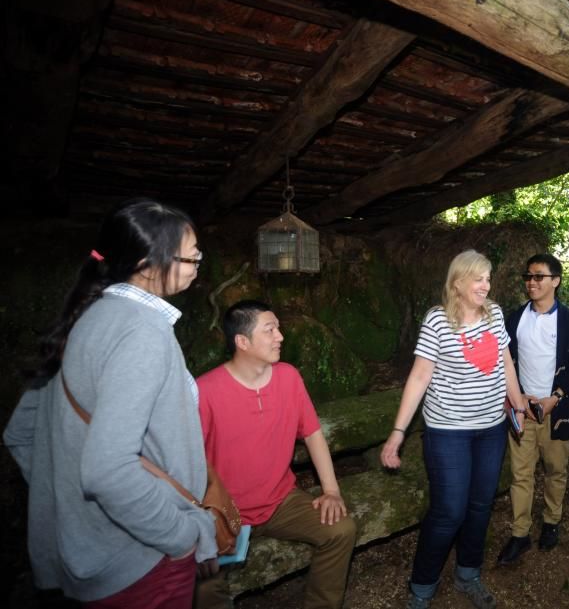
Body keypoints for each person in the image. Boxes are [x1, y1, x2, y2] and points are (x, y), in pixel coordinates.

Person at [3, 199, 217, 608]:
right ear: (147, 263)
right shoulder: (141, 333)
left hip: (99, 556)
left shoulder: (86, 319)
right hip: (142, 562)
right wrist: (178, 536)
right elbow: (107, 472)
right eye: (189, 256)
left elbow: (21, 434)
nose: (196, 263)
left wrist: (77, 518)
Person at [380, 250, 528, 609]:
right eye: (478, 279)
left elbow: (506, 361)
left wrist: (518, 402)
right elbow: (419, 376)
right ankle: (421, 588)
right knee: (449, 511)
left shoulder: (494, 314)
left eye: (488, 278)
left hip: (491, 429)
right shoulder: (437, 321)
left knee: (479, 506)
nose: (486, 285)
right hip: (448, 431)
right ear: (458, 282)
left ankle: (467, 574)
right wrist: (398, 432)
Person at [194, 301, 357, 609]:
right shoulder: (205, 391)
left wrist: (332, 491)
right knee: (203, 584)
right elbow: (187, 461)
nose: (280, 336)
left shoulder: (288, 377)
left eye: (278, 328)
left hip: (280, 500)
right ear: (242, 342)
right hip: (224, 512)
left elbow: (312, 433)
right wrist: (198, 524)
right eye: (270, 330)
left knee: (341, 529)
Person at [497, 254, 569, 564]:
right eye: (528, 276)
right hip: (522, 408)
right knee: (520, 474)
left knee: (555, 470)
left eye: (539, 276)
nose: (531, 282)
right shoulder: (514, 318)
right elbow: (505, 360)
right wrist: (516, 397)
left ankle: (551, 522)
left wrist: (557, 395)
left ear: (556, 281)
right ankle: (520, 533)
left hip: (554, 409)